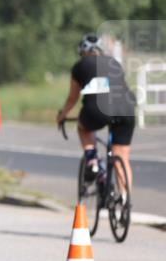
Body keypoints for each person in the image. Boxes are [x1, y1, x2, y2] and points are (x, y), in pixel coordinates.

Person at [57, 33, 136, 197]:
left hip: (98, 110)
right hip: (127, 109)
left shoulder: (80, 66)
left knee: (83, 127)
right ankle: (125, 201)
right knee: (122, 156)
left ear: (82, 51)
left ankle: (92, 161)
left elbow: (73, 98)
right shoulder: (114, 63)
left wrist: (62, 115)